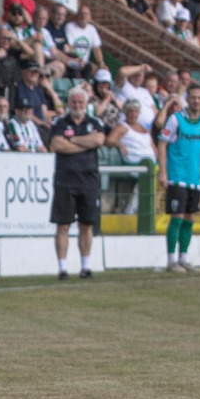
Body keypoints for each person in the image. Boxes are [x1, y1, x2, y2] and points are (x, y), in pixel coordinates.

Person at [49, 86, 122, 280]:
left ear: (86, 103)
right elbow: (56, 144)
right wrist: (83, 144)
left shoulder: (94, 122)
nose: (77, 105)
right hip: (65, 181)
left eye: (81, 102)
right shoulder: (60, 122)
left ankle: (86, 266)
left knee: (86, 225)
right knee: (63, 225)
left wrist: (71, 140)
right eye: (74, 102)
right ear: (68, 103)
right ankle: (62, 268)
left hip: (89, 181)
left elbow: (98, 140)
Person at [156, 86, 200, 273]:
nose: (196, 101)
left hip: (194, 178)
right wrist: (163, 172)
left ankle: (184, 258)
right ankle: (171, 260)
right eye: (193, 98)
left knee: (190, 218)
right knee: (177, 217)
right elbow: (162, 144)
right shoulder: (175, 120)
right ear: (188, 99)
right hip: (177, 176)